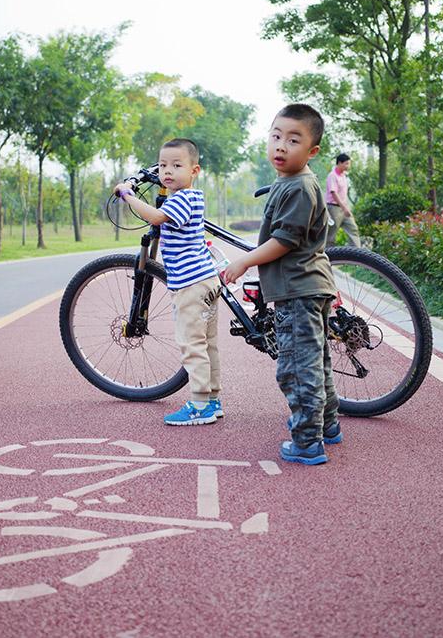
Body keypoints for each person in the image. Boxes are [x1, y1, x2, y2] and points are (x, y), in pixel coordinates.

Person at [222, 104, 340, 465]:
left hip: (298, 291)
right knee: (316, 362)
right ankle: (327, 425)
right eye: (276, 136)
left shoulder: (300, 188)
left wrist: (244, 260)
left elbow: (284, 242)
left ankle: (307, 442)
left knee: (295, 368)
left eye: (293, 140)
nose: (281, 146)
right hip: (307, 287)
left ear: (312, 151)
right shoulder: (291, 181)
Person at [114, 139, 223, 426]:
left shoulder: (182, 199)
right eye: (163, 165)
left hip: (191, 285)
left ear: (194, 170)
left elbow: (157, 216)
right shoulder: (194, 197)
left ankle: (200, 403)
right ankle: (211, 398)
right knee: (206, 343)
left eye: (177, 165)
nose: (167, 172)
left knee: (191, 344)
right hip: (206, 280)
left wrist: (128, 196)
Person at [325, 152, 361, 248]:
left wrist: (346, 207)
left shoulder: (344, 175)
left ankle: (357, 254)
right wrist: (344, 207)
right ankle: (329, 257)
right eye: (346, 163)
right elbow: (334, 193)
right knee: (331, 235)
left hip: (344, 208)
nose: (348, 166)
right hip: (333, 208)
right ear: (339, 163)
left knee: (353, 229)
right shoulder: (332, 176)